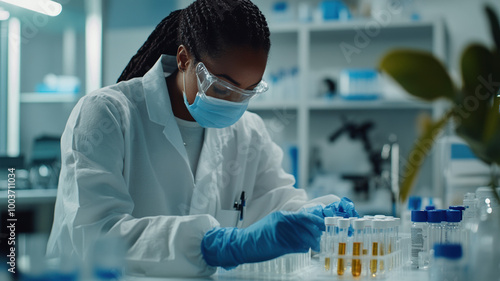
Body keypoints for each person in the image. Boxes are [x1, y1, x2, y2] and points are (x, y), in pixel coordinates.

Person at [46, 0, 358, 277]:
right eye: (222, 88)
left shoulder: (248, 131)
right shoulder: (107, 115)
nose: (234, 103)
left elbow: (277, 203)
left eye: (248, 91)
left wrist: (317, 217)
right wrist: (213, 245)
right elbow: (93, 235)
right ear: (184, 59)